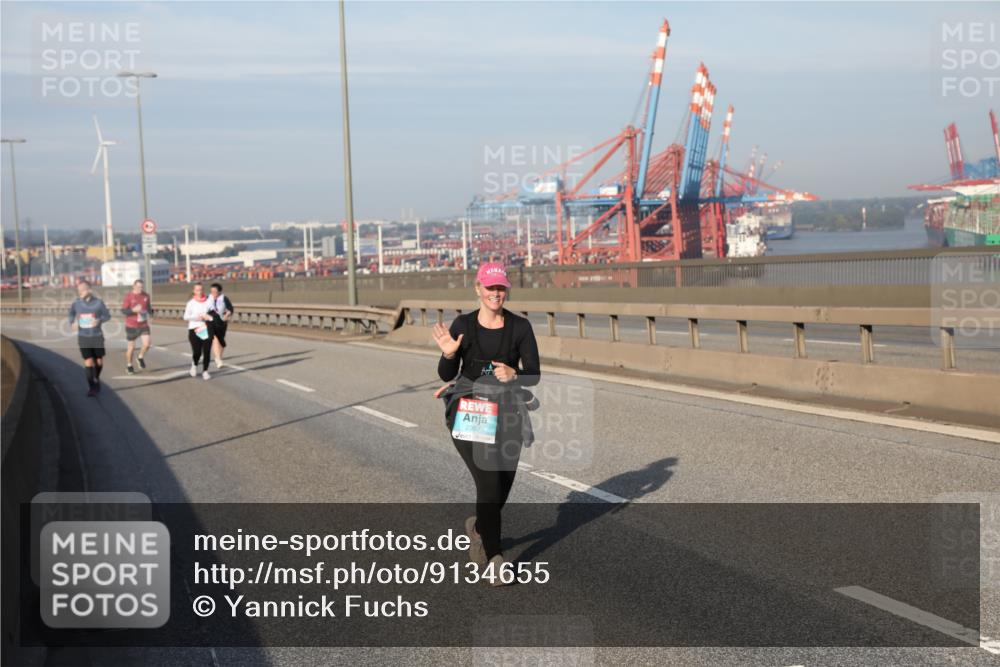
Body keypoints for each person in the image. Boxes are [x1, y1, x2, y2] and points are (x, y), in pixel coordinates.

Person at [433, 262, 540, 582]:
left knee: (502, 486)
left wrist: (515, 374)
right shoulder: (463, 324)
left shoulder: (520, 328)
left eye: (501, 288)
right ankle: (496, 558)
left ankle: (479, 527)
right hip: (470, 410)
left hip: (508, 411)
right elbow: (446, 375)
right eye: (490, 287)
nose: (496, 293)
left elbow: (534, 374)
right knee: (490, 483)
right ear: (477, 289)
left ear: (507, 290)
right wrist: (450, 354)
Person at [68, 279, 112, 397]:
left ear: (89, 290)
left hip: (97, 336)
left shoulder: (98, 303)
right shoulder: (76, 303)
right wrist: (72, 322)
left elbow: (107, 316)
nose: (80, 292)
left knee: (99, 362)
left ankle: (96, 378)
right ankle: (92, 386)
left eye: (82, 290)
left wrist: (99, 320)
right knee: (88, 361)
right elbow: (71, 314)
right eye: (79, 290)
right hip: (83, 337)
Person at [183, 282, 215, 380]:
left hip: (206, 328)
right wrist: (198, 317)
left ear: (203, 290)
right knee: (197, 352)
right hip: (194, 329)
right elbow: (185, 317)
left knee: (207, 351)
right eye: (197, 290)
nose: (199, 292)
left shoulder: (209, 302)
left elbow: (214, 314)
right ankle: (194, 364)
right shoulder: (191, 303)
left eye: (201, 290)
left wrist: (209, 317)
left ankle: (205, 371)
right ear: (194, 291)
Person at [121, 279, 153, 375]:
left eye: (141, 287)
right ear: (133, 286)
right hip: (131, 325)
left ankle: (140, 357)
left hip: (143, 324)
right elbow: (123, 311)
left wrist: (151, 315)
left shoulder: (146, 296)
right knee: (131, 347)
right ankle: (129, 365)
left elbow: (148, 307)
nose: (140, 289)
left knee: (147, 344)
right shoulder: (129, 296)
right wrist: (133, 310)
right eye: (138, 287)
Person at [208, 282, 234, 369]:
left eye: (215, 292)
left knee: (221, 342)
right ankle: (218, 359)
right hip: (211, 321)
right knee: (215, 339)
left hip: (222, 322)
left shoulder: (224, 298)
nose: (213, 293)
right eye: (211, 291)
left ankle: (218, 357)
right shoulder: (208, 298)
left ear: (219, 292)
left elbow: (230, 309)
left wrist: (227, 315)